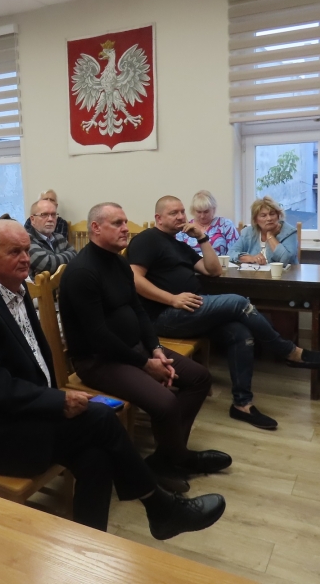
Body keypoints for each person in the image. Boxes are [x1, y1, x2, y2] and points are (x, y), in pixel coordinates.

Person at [0, 220, 225, 535]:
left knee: (96, 457)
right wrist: (57, 400)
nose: (25, 258)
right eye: (14, 252)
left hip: (24, 411)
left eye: (26, 250)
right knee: (102, 419)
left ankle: (90, 543)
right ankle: (161, 507)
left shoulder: (15, 290)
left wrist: (55, 399)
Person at [60, 203, 228, 492]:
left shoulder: (119, 262)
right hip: (98, 361)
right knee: (165, 403)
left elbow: (138, 310)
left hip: (134, 349)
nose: (126, 228)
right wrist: (144, 364)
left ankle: (168, 458)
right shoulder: (82, 272)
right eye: (117, 223)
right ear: (96, 228)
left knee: (199, 378)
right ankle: (175, 458)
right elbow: (98, 336)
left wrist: (155, 349)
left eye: (125, 222)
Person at [128, 196, 320, 430]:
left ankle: (242, 404)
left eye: (182, 212)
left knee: (240, 332)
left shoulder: (179, 245)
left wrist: (202, 238)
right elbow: (134, 279)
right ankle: (289, 351)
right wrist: (172, 299)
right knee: (238, 302)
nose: (181, 217)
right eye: (173, 213)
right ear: (158, 218)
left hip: (191, 309)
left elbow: (213, 270)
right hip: (164, 315)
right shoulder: (147, 239)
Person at [229, 196, 299, 265]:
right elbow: (230, 254)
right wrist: (250, 258)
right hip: (253, 272)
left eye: (272, 214)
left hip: (283, 272)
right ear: (255, 220)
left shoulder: (289, 232)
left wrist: (270, 236)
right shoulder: (248, 232)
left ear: (278, 216)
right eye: (263, 215)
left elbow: (286, 259)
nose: (269, 218)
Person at [176, 191, 239, 256]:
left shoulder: (225, 224)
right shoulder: (186, 228)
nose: (202, 216)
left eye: (206, 212)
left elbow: (234, 252)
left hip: (219, 262)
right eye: (199, 212)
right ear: (193, 210)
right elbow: (178, 254)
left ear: (213, 209)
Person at [26, 198, 77, 277]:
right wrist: (66, 258)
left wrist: (52, 260)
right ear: (32, 219)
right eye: (44, 215)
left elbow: (76, 256)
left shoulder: (60, 237)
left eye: (53, 215)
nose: (50, 219)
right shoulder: (26, 240)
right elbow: (47, 264)